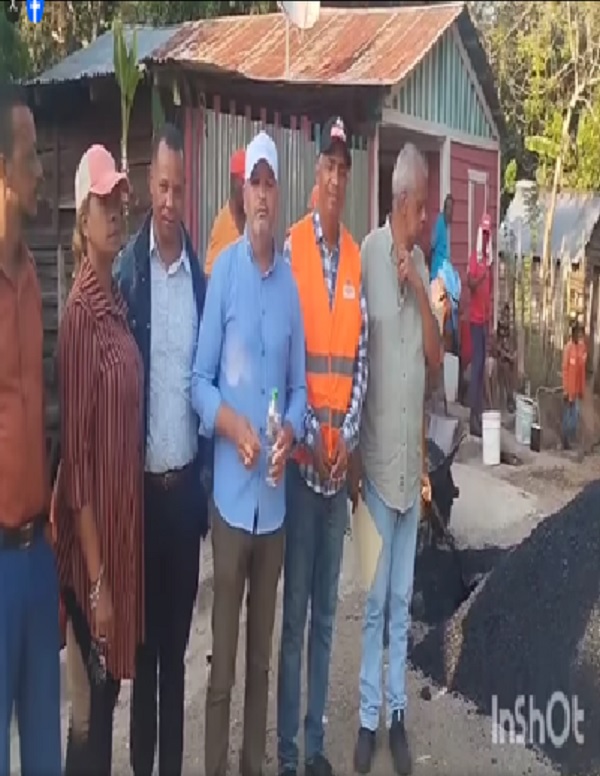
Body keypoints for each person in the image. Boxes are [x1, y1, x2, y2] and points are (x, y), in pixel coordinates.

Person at [192, 130, 307, 776]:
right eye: (254, 183)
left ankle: (252, 765)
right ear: (242, 193)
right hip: (233, 509)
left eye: (270, 183)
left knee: (262, 662)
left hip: (275, 506)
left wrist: (289, 429)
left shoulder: (288, 286)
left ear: (276, 192)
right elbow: (198, 384)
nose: (262, 194)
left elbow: (295, 391)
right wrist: (233, 426)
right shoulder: (225, 274)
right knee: (224, 667)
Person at [114, 123, 209, 776]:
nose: (170, 199)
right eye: (163, 185)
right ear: (150, 185)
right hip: (141, 501)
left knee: (174, 658)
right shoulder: (127, 275)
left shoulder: (199, 280)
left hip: (183, 500)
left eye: (179, 188)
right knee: (143, 660)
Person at [277, 115, 368, 776]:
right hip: (303, 472)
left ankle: (313, 748)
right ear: (315, 175)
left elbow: (358, 361)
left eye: (343, 169)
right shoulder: (290, 252)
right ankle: (285, 753)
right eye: (327, 168)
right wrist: (315, 439)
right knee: (294, 621)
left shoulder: (358, 258)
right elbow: (288, 360)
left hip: (338, 479)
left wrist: (350, 437)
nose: (334, 178)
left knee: (327, 622)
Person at [54, 143, 143, 773]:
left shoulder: (117, 302)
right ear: (82, 220)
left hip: (119, 540)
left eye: (118, 201)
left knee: (104, 706)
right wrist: (98, 584)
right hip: (93, 559)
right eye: (102, 204)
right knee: (87, 723)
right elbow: (78, 466)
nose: (114, 213)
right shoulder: (82, 315)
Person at [352, 143, 441, 776]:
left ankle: (398, 714)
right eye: (423, 208)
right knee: (373, 601)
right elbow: (355, 358)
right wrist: (352, 459)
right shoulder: (364, 258)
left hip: (412, 474)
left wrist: (417, 282)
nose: (428, 219)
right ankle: (365, 720)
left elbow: (436, 359)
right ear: (403, 204)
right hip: (372, 475)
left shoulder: (423, 266)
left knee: (403, 601)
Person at [0, 83, 62, 776]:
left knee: (43, 753)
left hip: (36, 556)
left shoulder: (32, 278)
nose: (41, 170)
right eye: (28, 156)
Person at [466, 213, 493, 437]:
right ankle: (472, 416)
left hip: (484, 321)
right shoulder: (475, 259)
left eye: (488, 234)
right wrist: (481, 279)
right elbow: (470, 284)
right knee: (476, 368)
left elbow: (489, 294)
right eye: (483, 233)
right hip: (474, 321)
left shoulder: (488, 260)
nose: (485, 238)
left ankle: (478, 411)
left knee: (482, 366)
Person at [204, 148, 246, 277]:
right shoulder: (223, 225)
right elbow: (210, 277)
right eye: (243, 181)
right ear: (233, 181)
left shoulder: (249, 220)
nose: (247, 188)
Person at [562, 322, 586, 450]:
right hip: (569, 389)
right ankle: (565, 440)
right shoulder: (568, 348)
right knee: (568, 414)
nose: (579, 336)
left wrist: (581, 390)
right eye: (578, 333)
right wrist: (566, 390)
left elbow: (581, 371)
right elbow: (565, 370)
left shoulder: (581, 349)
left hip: (576, 390)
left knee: (575, 415)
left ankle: (570, 438)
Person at [496, 302, 516, 412]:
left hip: (508, 357)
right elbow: (497, 347)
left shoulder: (510, 329)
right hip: (500, 356)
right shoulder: (499, 328)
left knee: (512, 366)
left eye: (508, 315)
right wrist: (507, 355)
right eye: (505, 315)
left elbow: (513, 346)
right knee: (505, 367)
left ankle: (510, 396)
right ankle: (509, 398)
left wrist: (512, 355)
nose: (506, 317)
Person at [429, 193, 453, 281]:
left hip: (445, 270)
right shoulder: (440, 222)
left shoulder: (449, 225)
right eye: (448, 208)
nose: (449, 211)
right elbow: (432, 244)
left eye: (451, 208)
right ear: (444, 208)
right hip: (437, 270)